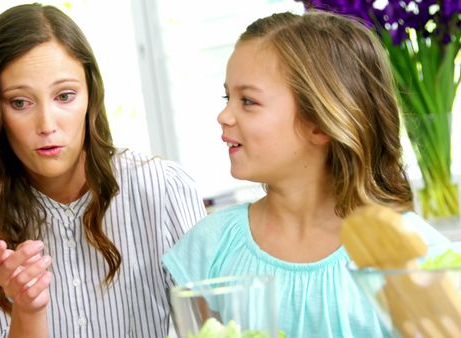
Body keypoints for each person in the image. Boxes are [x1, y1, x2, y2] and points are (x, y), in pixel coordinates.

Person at [162, 10, 450, 338]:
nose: (224, 115)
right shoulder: (211, 247)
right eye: (228, 97)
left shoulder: (412, 252)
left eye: (248, 101)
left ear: (320, 123)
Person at [0, 3, 206, 338]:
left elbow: (217, 327)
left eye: (65, 96)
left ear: (91, 96)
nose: (47, 125)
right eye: (20, 102)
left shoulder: (162, 188)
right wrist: (27, 310)